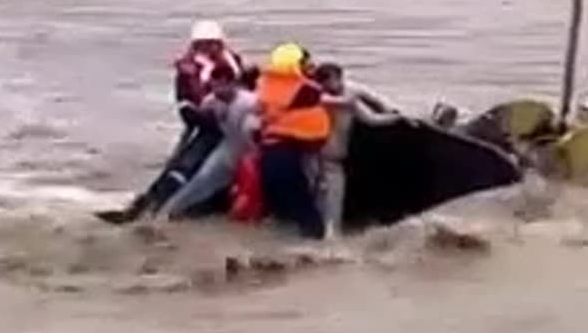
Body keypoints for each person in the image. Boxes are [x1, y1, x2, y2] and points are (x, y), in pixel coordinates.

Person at [96, 19, 246, 225]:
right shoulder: (187, 70)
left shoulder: (233, 63)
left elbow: (245, 92)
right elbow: (186, 107)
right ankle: (147, 208)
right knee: (180, 168)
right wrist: (208, 119)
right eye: (203, 43)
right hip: (203, 127)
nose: (208, 47)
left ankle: (208, 205)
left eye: (212, 43)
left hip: (233, 126)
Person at [314, 63, 407, 240]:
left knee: (333, 209)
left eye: (330, 80)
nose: (327, 85)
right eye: (323, 81)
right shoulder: (317, 97)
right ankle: (321, 241)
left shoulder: (351, 94)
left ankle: (331, 242)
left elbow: (372, 118)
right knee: (319, 205)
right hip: (314, 158)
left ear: (340, 78)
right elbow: (332, 101)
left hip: (335, 159)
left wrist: (395, 116)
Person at [157, 63, 260, 220]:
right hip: (230, 148)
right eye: (214, 87)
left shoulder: (250, 102)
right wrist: (178, 150)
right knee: (201, 179)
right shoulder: (210, 101)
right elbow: (194, 128)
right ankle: (168, 213)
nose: (218, 91)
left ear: (233, 84)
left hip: (254, 152)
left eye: (222, 86)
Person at [256, 43, 331, 239]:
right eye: (304, 63)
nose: (309, 66)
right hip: (288, 157)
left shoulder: (266, 86)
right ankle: (318, 255)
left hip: (267, 157)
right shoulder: (306, 91)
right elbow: (318, 130)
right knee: (307, 213)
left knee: (284, 213)